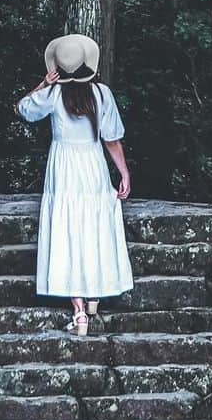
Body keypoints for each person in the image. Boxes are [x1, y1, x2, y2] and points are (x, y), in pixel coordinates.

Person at [16, 33, 133, 336]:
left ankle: (80, 312)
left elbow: (23, 109)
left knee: (68, 230)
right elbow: (112, 140)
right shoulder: (102, 94)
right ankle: (94, 295)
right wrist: (123, 173)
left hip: (64, 168)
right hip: (93, 166)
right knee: (93, 226)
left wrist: (44, 83)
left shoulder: (53, 95)